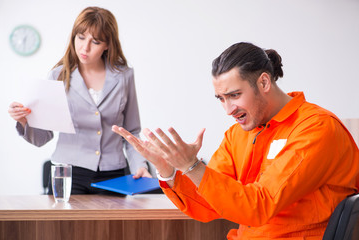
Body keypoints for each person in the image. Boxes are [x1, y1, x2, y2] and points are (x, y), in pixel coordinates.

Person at [112, 42, 359, 239]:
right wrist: (169, 172)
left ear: (264, 82)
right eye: (220, 98)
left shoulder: (316, 129)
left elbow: (259, 205)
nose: (228, 109)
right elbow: (209, 205)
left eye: (234, 95)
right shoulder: (238, 134)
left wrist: (192, 166)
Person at [8, 6, 152, 195]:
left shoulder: (124, 76)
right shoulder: (58, 75)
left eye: (96, 41)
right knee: (65, 225)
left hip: (113, 173)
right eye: (81, 37)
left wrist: (139, 165)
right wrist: (24, 121)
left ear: (107, 44)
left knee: (110, 226)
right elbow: (44, 136)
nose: (85, 47)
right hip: (68, 171)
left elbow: (131, 131)